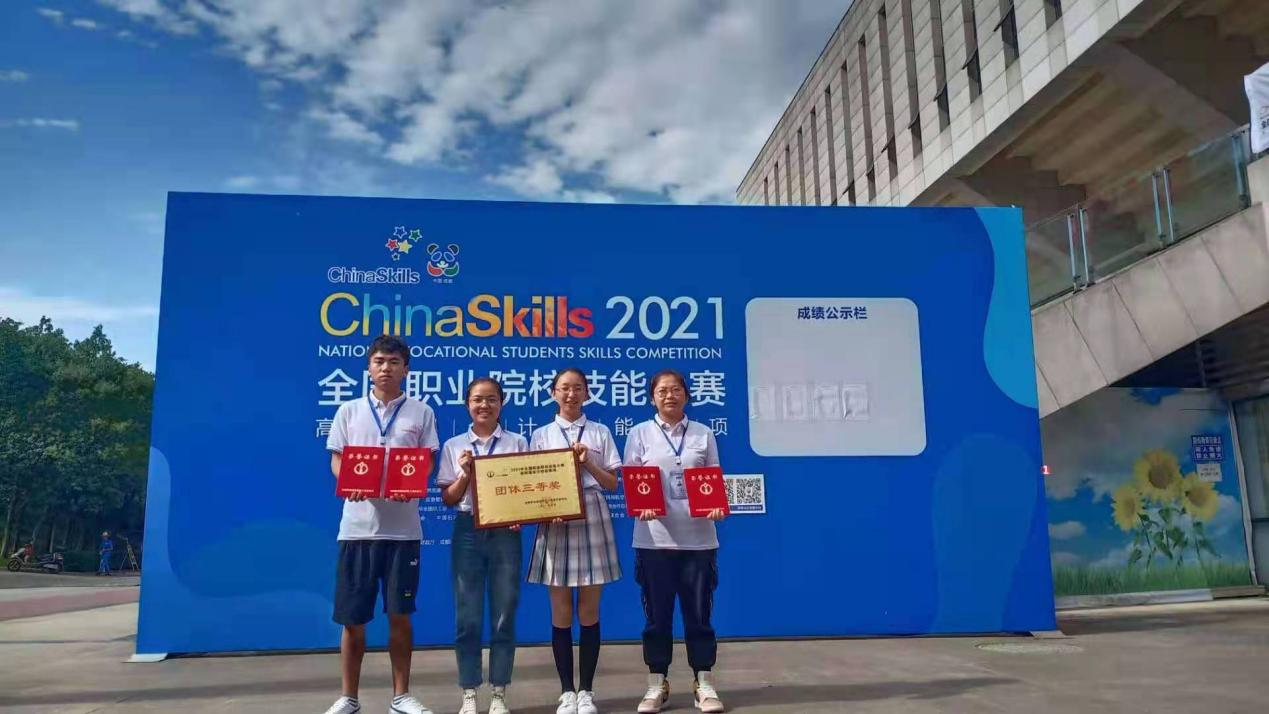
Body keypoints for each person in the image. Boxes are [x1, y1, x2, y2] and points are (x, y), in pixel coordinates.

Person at [324, 335, 439, 714]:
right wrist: (348, 482)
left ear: (406, 369)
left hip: (403, 532)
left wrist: (414, 485)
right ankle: (349, 697)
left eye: (393, 361)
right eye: (379, 361)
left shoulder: (421, 412)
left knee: (400, 616)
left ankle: (401, 696)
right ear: (368, 368)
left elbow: (427, 461)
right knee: (352, 619)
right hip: (357, 530)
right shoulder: (349, 411)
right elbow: (337, 459)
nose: (386, 368)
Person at [623, 369, 726, 714]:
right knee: (657, 617)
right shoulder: (639, 434)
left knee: (699, 615)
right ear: (652, 398)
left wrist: (715, 506)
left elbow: (713, 477)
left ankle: (703, 682)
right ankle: (657, 683)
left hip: (698, 541)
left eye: (676, 389)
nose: (670, 396)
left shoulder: (703, 433)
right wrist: (640, 506)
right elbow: (631, 481)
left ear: (687, 394)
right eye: (662, 391)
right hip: (654, 541)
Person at [527, 368, 623, 714]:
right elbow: (531, 484)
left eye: (578, 388)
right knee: (561, 611)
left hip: (592, 512)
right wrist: (545, 509)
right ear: (553, 393)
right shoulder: (541, 435)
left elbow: (612, 483)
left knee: (589, 610)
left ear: (587, 393)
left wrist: (589, 463)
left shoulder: (599, 432)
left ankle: (587, 692)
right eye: (564, 388)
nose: (571, 394)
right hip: (555, 519)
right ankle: (567, 691)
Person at [437, 377, 528, 714]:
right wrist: (464, 473)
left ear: (501, 404)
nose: (484, 405)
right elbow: (449, 499)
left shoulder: (518, 442)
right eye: (477, 399)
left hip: (506, 531)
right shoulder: (454, 445)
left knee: (504, 613)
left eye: (491, 399)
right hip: (468, 530)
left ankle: (499, 691)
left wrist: (520, 513)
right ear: (467, 405)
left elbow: (528, 490)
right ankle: (470, 691)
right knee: (467, 615)